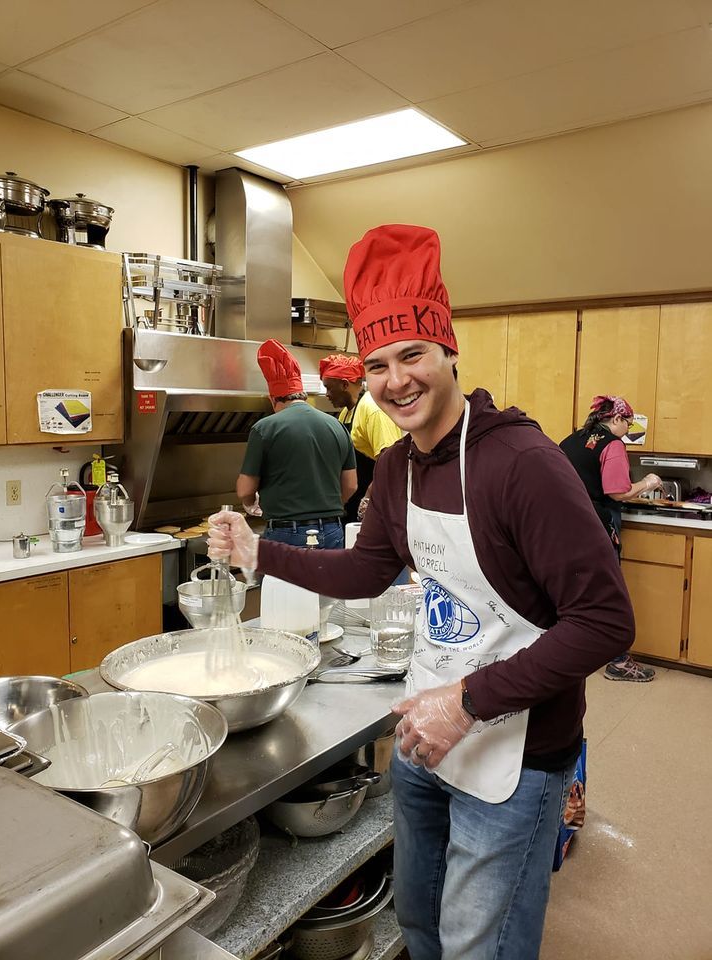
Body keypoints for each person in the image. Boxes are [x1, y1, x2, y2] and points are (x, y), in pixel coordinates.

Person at [209, 225, 634, 960]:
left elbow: (604, 622)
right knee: (419, 926)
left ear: (448, 353)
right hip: (422, 735)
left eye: (412, 356)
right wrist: (259, 553)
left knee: (480, 947)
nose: (395, 380)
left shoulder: (522, 463)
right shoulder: (399, 468)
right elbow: (365, 571)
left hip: (517, 749)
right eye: (377, 364)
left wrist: (465, 703)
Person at [560, 396, 663, 682]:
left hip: (562, 526)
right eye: (628, 424)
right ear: (616, 420)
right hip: (596, 526)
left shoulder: (573, 439)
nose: (628, 430)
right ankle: (618, 662)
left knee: (570, 590)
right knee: (609, 592)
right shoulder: (613, 445)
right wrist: (648, 483)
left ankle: (567, 653)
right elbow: (618, 491)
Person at [236, 338, 357, 549]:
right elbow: (351, 485)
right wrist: (327, 509)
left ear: (273, 398)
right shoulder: (337, 426)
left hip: (285, 533)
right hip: (332, 531)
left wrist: (250, 505)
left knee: (282, 584)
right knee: (328, 583)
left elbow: (245, 489)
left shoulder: (264, 428)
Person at [319, 353, 401, 523]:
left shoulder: (372, 409)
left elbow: (392, 462)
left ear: (344, 384)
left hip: (373, 502)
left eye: (329, 388)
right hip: (353, 501)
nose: (327, 395)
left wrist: (368, 498)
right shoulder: (346, 413)